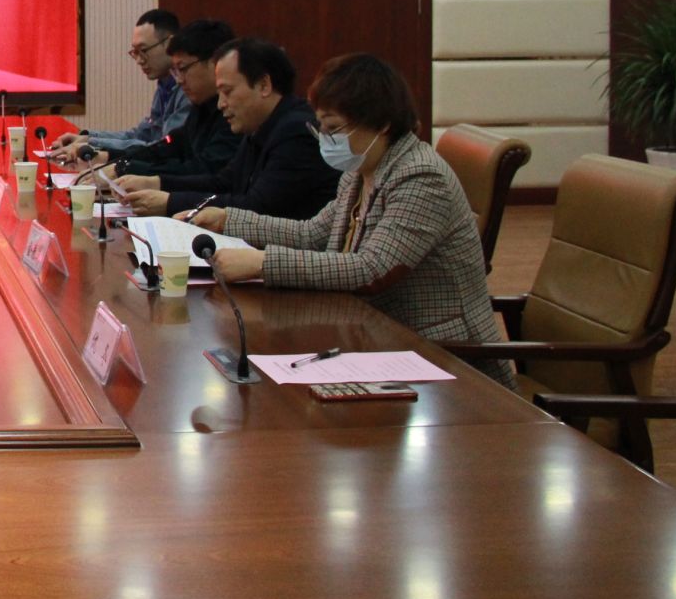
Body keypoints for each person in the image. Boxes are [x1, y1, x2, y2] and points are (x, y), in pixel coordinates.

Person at [192, 54, 515, 388]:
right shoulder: (361, 170)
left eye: (334, 128)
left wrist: (262, 263)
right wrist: (229, 220)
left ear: (382, 123)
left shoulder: (420, 176)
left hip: (445, 358)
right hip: (375, 337)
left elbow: (372, 269)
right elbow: (312, 233)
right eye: (321, 127)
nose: (326, 139)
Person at [113, 37, 338, 221]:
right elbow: (224, 182)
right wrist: (157, 183)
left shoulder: (296, 132)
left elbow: (257, 208)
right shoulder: (260, 126)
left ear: (264, 85)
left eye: (227, 92)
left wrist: (170, 202)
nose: (220, 104)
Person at [101, 19, 240, 183]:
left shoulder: (234, 112)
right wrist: (111, 158)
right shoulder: (201, 106)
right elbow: (167, 147)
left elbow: (205, 169)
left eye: (183, 69)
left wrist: (130, 169)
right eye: (175, 71)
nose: (179, 80)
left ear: (214, 63)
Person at [51, 9, 186, 161]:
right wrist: (87, 138)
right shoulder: (164, 85)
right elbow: (140, 135)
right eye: (135, 52)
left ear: (170, 44)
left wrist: (94, 146)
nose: (139, 60)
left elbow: (161, 149)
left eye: (143, 50)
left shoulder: (188, 89)